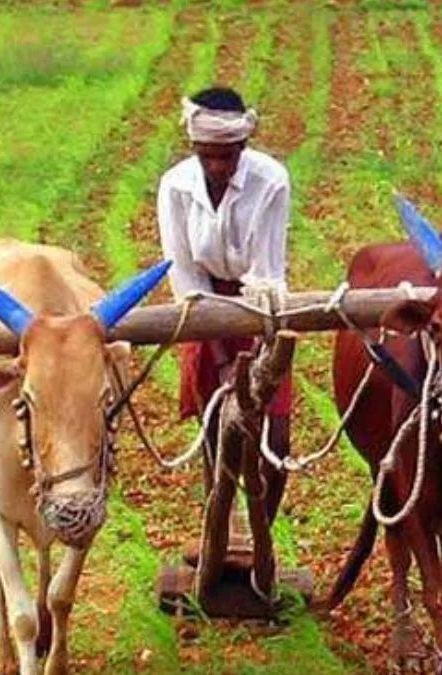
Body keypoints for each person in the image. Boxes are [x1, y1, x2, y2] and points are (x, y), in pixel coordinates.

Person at [157, 85, 293, 519]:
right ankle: (219, 523)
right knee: (217, 430)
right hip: (204, 311)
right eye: (207, 156)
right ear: (194, 148)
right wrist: (219, 360)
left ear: (243, 145)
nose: (217, 166)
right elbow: (186, 276)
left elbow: (266, 273)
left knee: (276, 441)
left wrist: (259, 362)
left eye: (227, 156)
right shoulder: (176, 187)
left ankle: (262, 534)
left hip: (260, 310)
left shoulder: (271, 180)